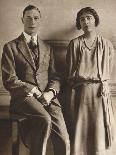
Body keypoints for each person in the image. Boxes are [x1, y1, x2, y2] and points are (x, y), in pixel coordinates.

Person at [1, 5, 70, 155]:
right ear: (22, 20)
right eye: (28, 18)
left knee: (64, 139)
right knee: (44, 119)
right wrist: (35, 91)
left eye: (36, 18)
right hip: (24, 98)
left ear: (40, 21)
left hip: (48, 98)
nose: (32, 21)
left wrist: (51, 93)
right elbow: (9, 79)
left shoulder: (47, 48)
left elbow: (55, 76)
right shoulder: (10, 47)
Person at [66, 7, 116, 155]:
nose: (86, 21)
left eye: (88, 17)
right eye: (82, 19)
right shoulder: (74, 44)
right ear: (79, 23)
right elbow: (70, 73)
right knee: (81, 133)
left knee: (100, 133)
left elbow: (109, 70)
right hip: (80, 92)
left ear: (95, 20)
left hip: (100, 94)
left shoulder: (107, 45)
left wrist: (104, 84)